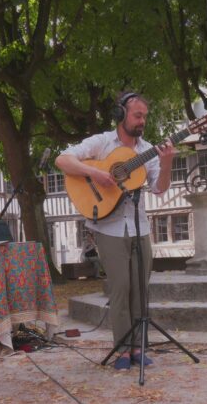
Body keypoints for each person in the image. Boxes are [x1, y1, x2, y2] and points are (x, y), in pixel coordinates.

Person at [55, 92, 175, 370]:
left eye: (144, 116)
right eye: (137, 115)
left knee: (140, 290)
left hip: (139, 227)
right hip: (107, 227)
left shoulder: (147, 150)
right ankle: (121, 348)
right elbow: (63, 160)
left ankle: (138, 347)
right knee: (121, 287)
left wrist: (167, 160)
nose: (142, 121)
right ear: (121, 114)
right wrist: (95, 174)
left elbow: (159, 188)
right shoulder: (101, 142)